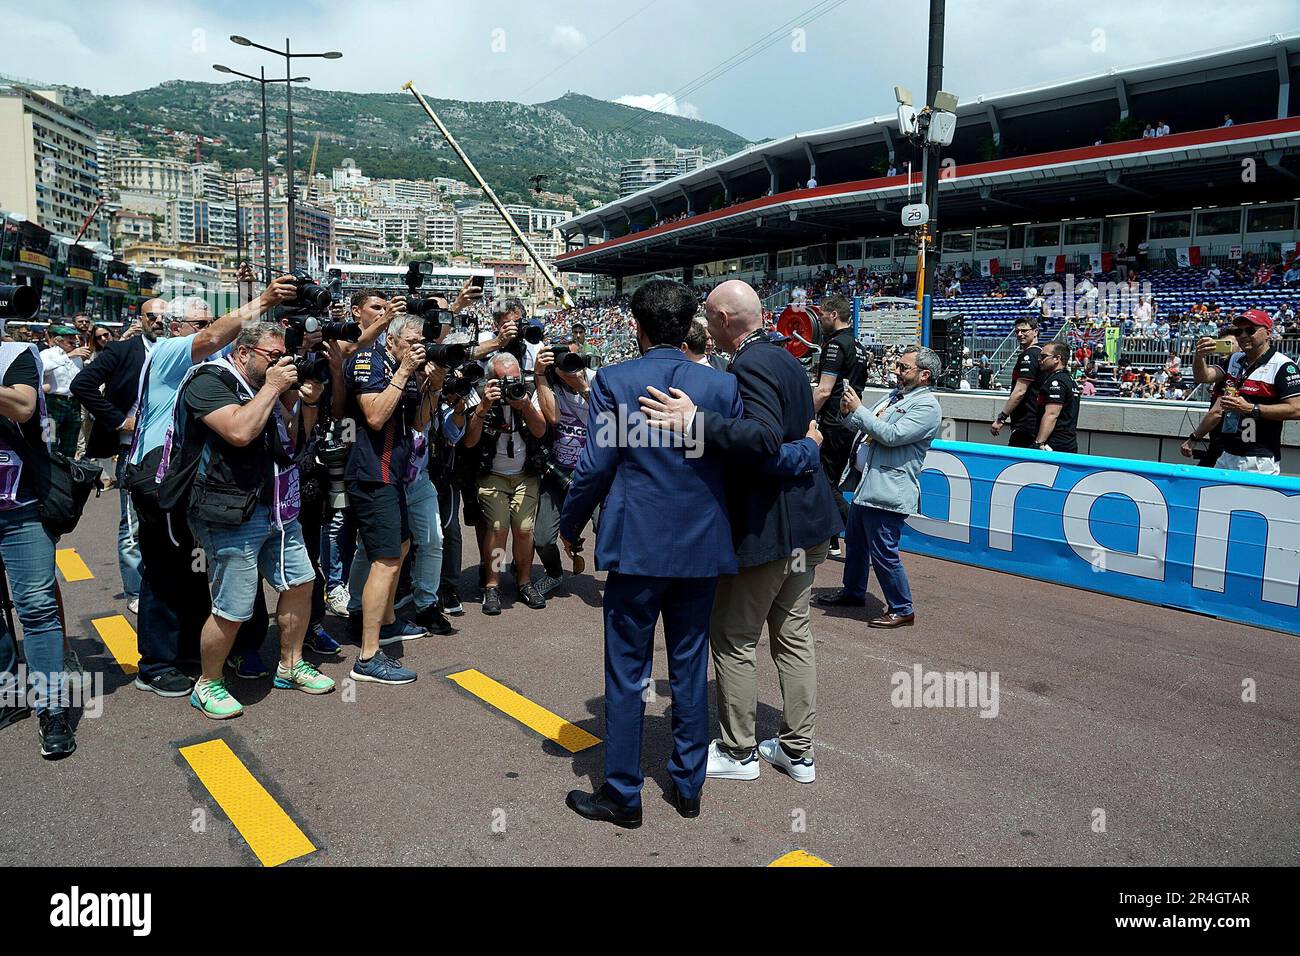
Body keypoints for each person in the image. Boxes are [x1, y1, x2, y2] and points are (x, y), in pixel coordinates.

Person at [557, 279, 771, 827]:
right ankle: (688, 784)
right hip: (700, 544)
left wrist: (571, 521)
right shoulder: (720, 387)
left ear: (637, 325)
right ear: (690, 327)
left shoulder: (616, 380)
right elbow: (742, 456)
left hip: (638, 545)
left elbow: (597, 463)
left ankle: (624, 794)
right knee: (689, 664)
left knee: (627, 672)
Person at [640, 279, 841, 787]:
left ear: (726, 320)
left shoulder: (750, 363)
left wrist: (693, 420)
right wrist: (807, 447)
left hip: (771, 529)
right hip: (808, 527)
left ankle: (738, 750)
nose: (705, 328)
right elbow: (794, 432)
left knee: (733, 639)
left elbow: (763, 438)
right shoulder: (786, 357)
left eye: (709, 318)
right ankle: (797, 750)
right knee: (793, 637)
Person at [126, 279, 296, 697]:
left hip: (194, 477)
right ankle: (156, 664)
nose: (213, 329)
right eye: (199, 323)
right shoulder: (167, 353)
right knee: (165, 568)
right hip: (159, 475)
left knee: (197, 566)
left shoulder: (215, 360)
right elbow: (214, 336)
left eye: (210, 320)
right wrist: (265, 299)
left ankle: (192, 651)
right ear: (171, 326)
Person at [169, 322, 334, 718]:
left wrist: (304, 404)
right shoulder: (207, 381)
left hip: (277, 507)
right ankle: (208, 683)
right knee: (234, 606)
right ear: (243, 353)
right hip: (227, 511)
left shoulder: (268, 388)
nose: (281, 364)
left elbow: (292, 443)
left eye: (283, 356)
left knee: (301, 582)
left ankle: (290, 665)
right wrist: (275, 388)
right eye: (272, 356)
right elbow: (240, 431)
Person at [815, 347, 942, 626]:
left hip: (888, 490)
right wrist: (848, 412)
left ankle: (902, 607)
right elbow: (863, 428)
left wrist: (859, 409)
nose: (896, 371)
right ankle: (853, 591)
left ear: (924, 375)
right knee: (856, 544)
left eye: (903, 367)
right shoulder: (892, 397)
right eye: (897, 365)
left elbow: (891, 435)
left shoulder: (928, 406)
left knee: (884, 550)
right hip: (868, 485)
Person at [342, 314, 438, 683]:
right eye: (411, 341)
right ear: (392, 339)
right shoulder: (370, 362)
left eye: (421, 342)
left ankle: (388, 621)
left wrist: (430, 385)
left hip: (393, 474)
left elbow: (418, 423)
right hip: (370, 474)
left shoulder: (405, 368)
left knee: (400, 545)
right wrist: (404, 373)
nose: (417, 348)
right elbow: (375, 416)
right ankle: (367, 657)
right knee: (385, 560)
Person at [0, 337, 77, 757]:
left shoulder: (15, 355)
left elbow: (24, 407)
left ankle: (52, 709)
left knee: (37, 607)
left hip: (20, 507)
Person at [71, 300, 164, 616]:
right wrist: (118, 420)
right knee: (133, 524)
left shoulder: (179, 350)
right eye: (153, 315)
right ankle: (135, 590)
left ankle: (165, 586)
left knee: (172, 522)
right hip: (132, 450)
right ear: (142, 319)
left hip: (171, 451)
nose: (160, 321)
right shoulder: (123, 351)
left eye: (166, 316)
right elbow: (81, 384)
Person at [463, 352, 548, 613]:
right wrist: (483, 408)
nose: (511, 385)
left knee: (523, 529)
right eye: (503, 381)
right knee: (498, 527)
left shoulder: (528, 391)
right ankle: (492, 584)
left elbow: (540, 430)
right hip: (492, 475)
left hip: (525, 475)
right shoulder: (479, 394)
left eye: (515, 379)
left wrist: (525, 406)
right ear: (490, 381)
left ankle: (524, 582)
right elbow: (469, 442)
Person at [1192, 309, 1300, 475]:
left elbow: (1297, 409)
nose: (1242, 335)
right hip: (1227, 452)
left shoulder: (1283, 366)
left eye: (1250, 330)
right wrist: (1199, 356)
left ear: (1268, 334)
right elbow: (1204, 376)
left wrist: (1251, 408)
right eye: (1238, 331)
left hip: (1258, 457)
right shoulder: (1236, 359)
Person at [531, 339, 594, 596]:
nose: (570, 365)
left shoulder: (594, 379)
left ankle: (624, 580)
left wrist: (582, 386)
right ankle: (555, 573)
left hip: (592, 473)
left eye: (574, 358)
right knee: (543, 539)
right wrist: (541, 375)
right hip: (556, 472)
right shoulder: (546, 385)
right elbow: (553, 417)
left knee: (613, 527)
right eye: (564, 360)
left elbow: (611, 422)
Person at [809, 295, 859, 558]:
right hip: (849, 423)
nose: (819, 319)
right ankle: (832, 541)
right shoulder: (858, 345)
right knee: (832, 481)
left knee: (825, 482)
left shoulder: (835, 345)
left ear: (833, 315)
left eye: (822, 315)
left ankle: (859, 539)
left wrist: (805, 416)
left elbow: (824, 390)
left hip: (832, 423)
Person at [990, 316, 1047, 447]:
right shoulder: (1039, 353)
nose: (1020, 334)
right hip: (1032, 421)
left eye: (1024, 331)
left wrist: (1001, 418)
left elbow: (1020, 391)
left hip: (1027, 423)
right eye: (1017, 332)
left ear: (1035, 331)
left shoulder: (1030, 355)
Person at [39, 325, 88, 459]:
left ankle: (66, 474)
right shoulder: (47, 354)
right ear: (58, 340)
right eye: (69, 338)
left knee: (70, 443)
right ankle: (47, 473)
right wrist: (68, 356)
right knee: (49, 441)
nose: (74, 340)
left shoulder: (77, 357)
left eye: (75, 337)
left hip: (73, 403)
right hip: (53, 402)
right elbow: (43, 371)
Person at [1032, 343, 1080, 453]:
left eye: (1043, 357)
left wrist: (1039, 443)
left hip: (1054, 445)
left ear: (1057, 359)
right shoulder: (1070, 380)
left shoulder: (1057, 382)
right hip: (1068, 443)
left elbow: (1052, 414)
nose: (1040, 360)